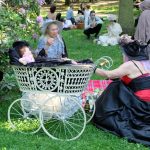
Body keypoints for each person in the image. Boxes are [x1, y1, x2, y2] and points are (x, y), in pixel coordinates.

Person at [92, 40, 150, 146]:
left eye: (123, 54)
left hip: (142, 104)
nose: (122, 56)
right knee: (119, 83)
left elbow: (109, 74)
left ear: (127, 54)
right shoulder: (145, 62)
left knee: (115, 86)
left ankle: (103, 111)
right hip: (146, 102)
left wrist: (92, 67)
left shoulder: (130, 65)